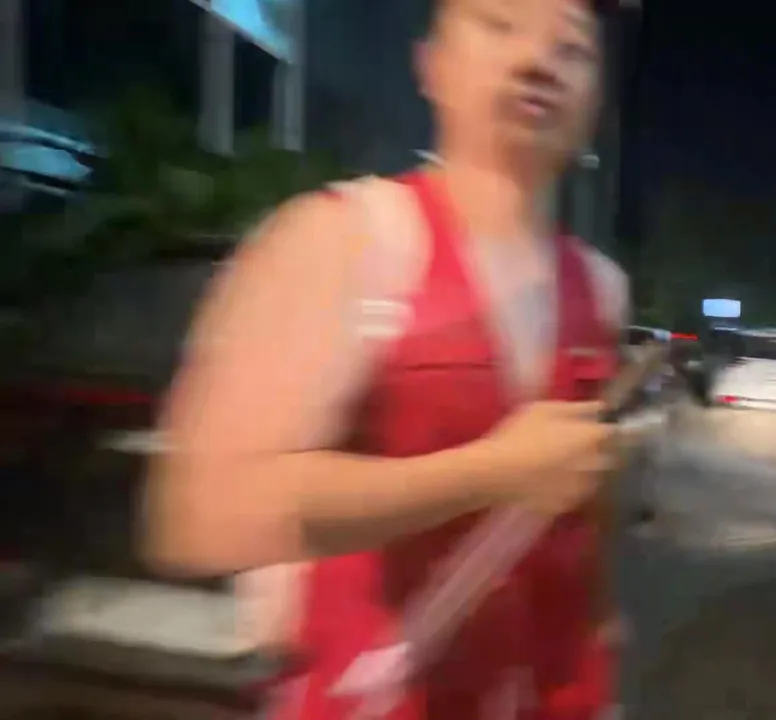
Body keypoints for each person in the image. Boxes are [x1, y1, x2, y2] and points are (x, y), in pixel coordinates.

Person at [143, 0, 628, 717]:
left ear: (596, 98)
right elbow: (200, 516)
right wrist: (488, 472)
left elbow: (580, 516)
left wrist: (601, 634)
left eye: (573, 48)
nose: (537, 61)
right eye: (499, 25)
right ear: (432, 65)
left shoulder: (601, 288)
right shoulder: (342, 242)